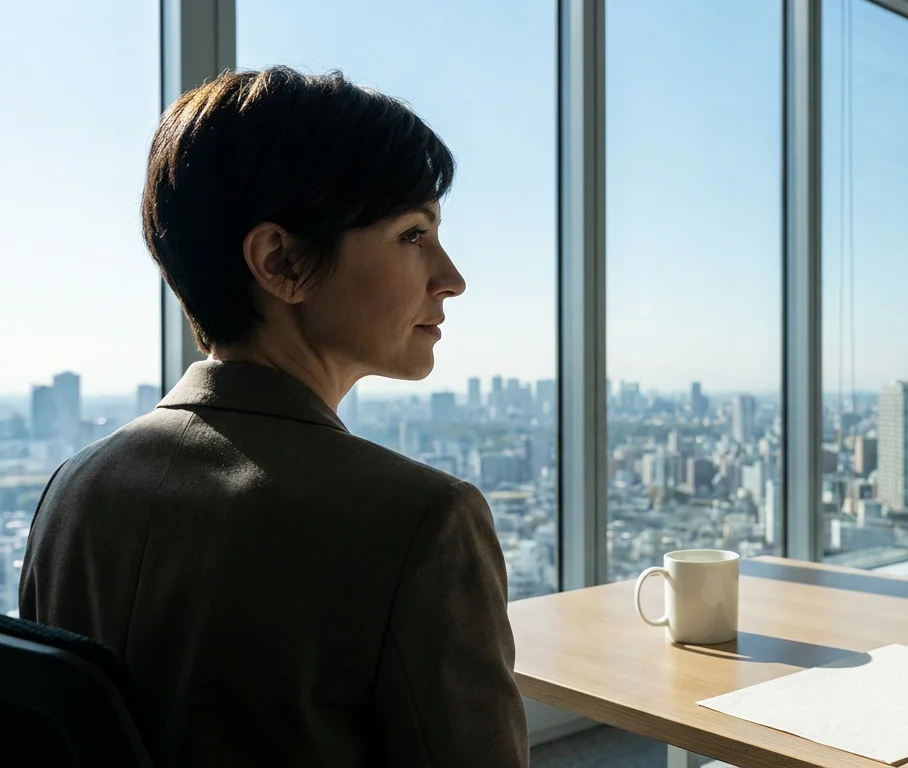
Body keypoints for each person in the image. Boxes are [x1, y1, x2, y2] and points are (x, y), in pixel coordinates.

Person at [19, 67, 529, 766]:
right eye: (414, 234)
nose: (452, 277)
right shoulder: (420, 522)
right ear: (281, 261)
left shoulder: (74, 490)